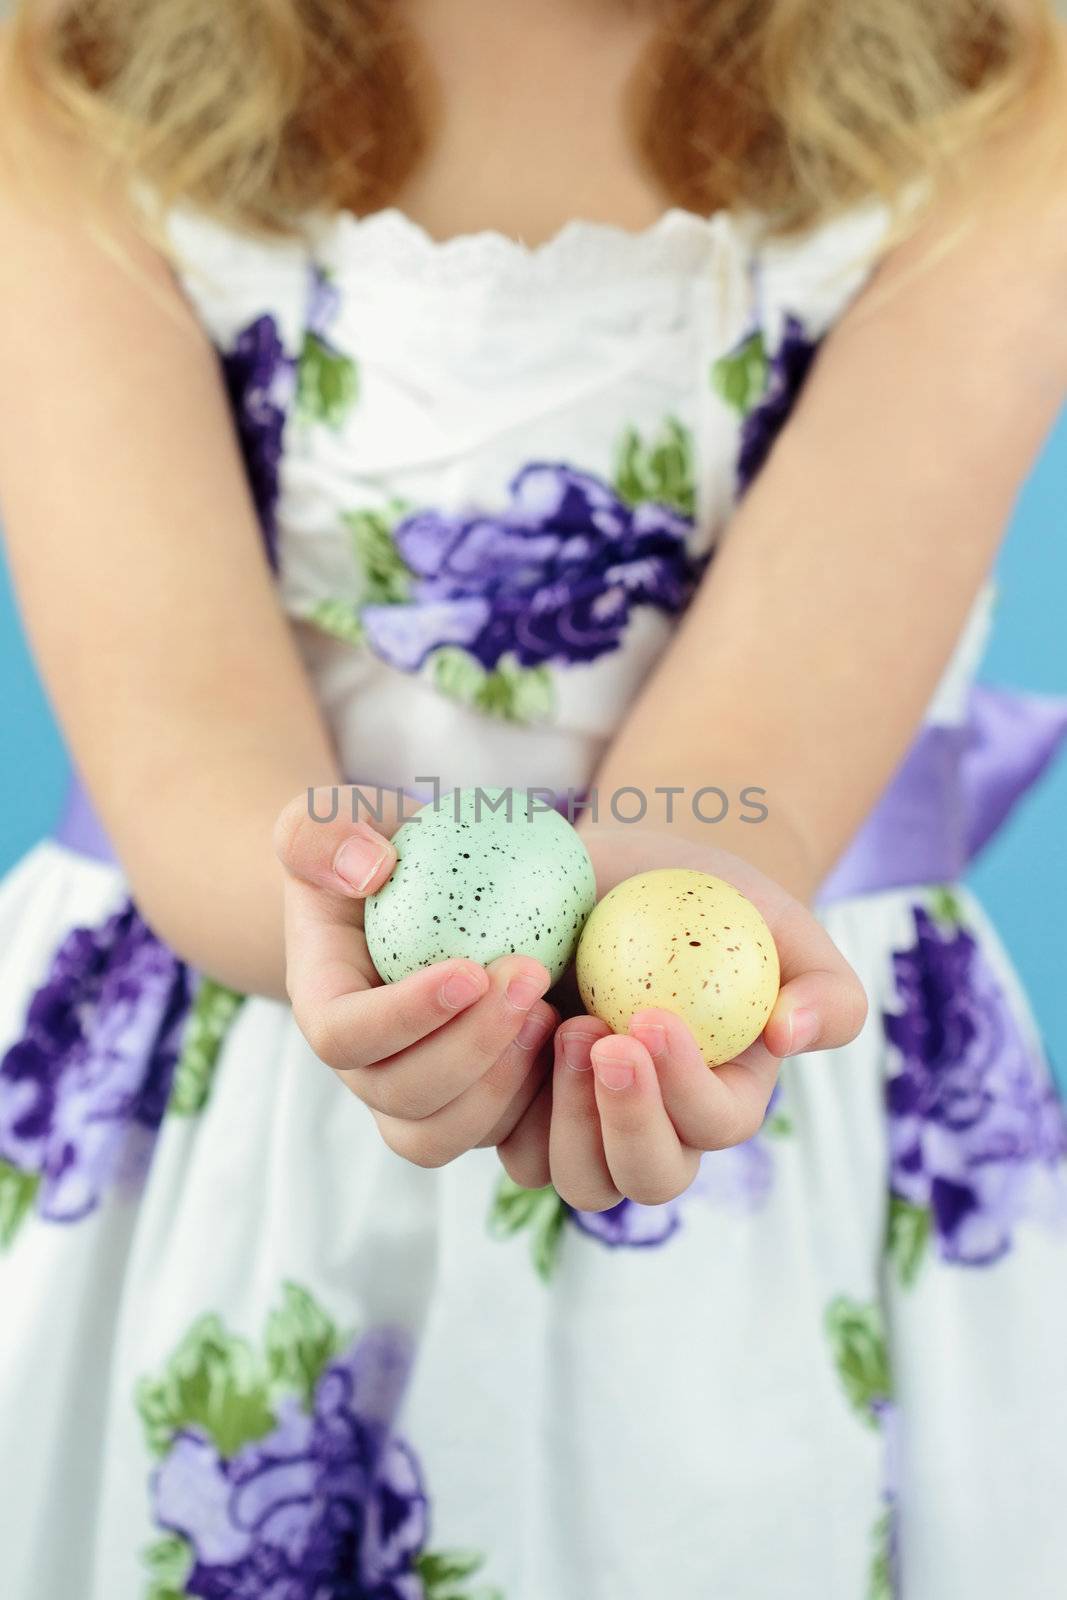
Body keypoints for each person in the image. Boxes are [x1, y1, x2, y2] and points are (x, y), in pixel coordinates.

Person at [0, 2, 1065, 1595]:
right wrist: (354, 915)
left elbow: (732, 796)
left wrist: (622, 984)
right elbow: (186, 747)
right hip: (217, 1119)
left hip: (767, 1171)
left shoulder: (997, 95)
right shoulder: (72, 71)